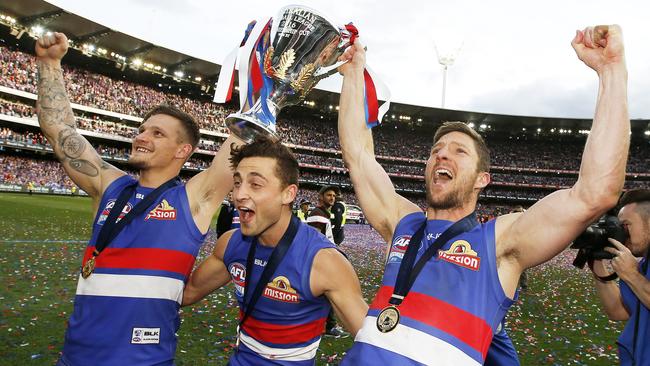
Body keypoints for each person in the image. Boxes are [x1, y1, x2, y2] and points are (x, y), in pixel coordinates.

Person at [336, 25, 628, 365]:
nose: (441, 155)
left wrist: (611, 70)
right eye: (437, 150)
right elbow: (358, 154)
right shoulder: (402, 222)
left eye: (459, 152)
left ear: (481, 179)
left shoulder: (499, 242)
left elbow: (595, 193)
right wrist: (354, 72)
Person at [35, 32, 240, 366]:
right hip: (73, 359)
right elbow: (60, 129)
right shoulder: (109, 185)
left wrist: (270, 89)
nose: (142, 137)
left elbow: (241, 143)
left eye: (157, 134)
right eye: (142, 130)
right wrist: (49, 64)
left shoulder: (195, 197)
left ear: (183, 151)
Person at [182, 137, 367, 365]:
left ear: (288, 194)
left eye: (255, 184)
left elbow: (373, 342)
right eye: (238, 183)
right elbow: (187, 292)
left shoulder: (324, 261)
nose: (238, 194)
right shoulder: (230, 243)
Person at [592, 189, 650, 365]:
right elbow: (618, 310)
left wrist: (632, 275)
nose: (622, 233)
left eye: (625, 225)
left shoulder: (635, 271)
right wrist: (596, 262)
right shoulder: (644, 265)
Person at [307, 184, 349, 337]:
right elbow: (314, 239)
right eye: (329, 195)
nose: (332, 198)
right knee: (330, 290)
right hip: (321, 259)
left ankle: (324, 324)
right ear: (321, 197)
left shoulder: (324, 213)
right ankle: (330, 326)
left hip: (326, 257)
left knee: (325, 292)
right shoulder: (318, 213)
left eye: (333, 196)